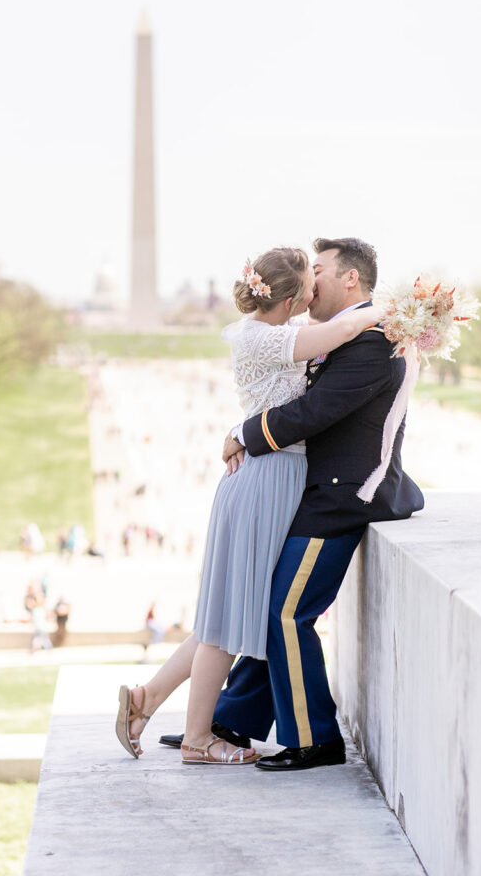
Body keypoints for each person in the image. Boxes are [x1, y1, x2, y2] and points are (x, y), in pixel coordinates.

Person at [159, 237, 424, 770]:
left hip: (340, 498)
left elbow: (314, 412)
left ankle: (313, 737)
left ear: (351, 279)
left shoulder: (375, 340)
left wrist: (244, 431)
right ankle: (233, 719)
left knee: (283, 611)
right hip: (315, 490)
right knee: (268, 604)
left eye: (320, 268)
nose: (313, 280)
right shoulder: (340, 332)